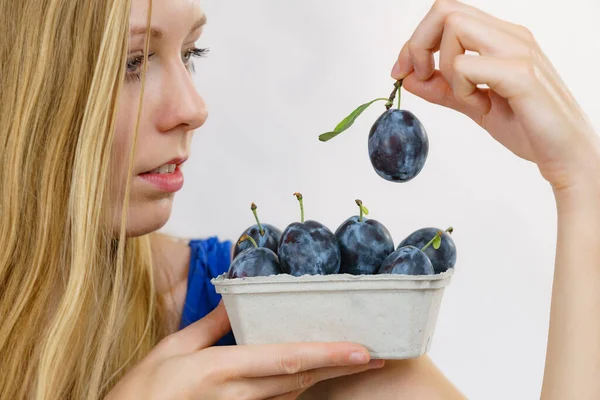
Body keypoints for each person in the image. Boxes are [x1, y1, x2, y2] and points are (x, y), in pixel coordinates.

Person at [0, 0, 597, 398]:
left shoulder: (272, 313)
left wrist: (582, 185)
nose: (192, 108)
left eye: (190, 55)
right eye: (134, 61)